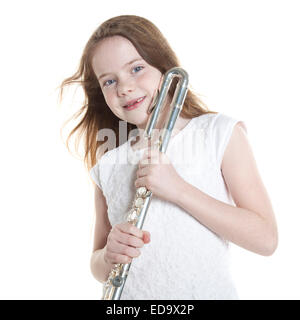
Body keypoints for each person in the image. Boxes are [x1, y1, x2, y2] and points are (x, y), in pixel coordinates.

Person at [59, 15, 278, 300]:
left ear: (165, 68)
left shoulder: (218, 134)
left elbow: (266, 238)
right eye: (109, 81)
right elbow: (97, 265)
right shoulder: (108, 163)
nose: (124, 87)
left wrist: (178, 189)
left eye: (137, 68)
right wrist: (108, 255)